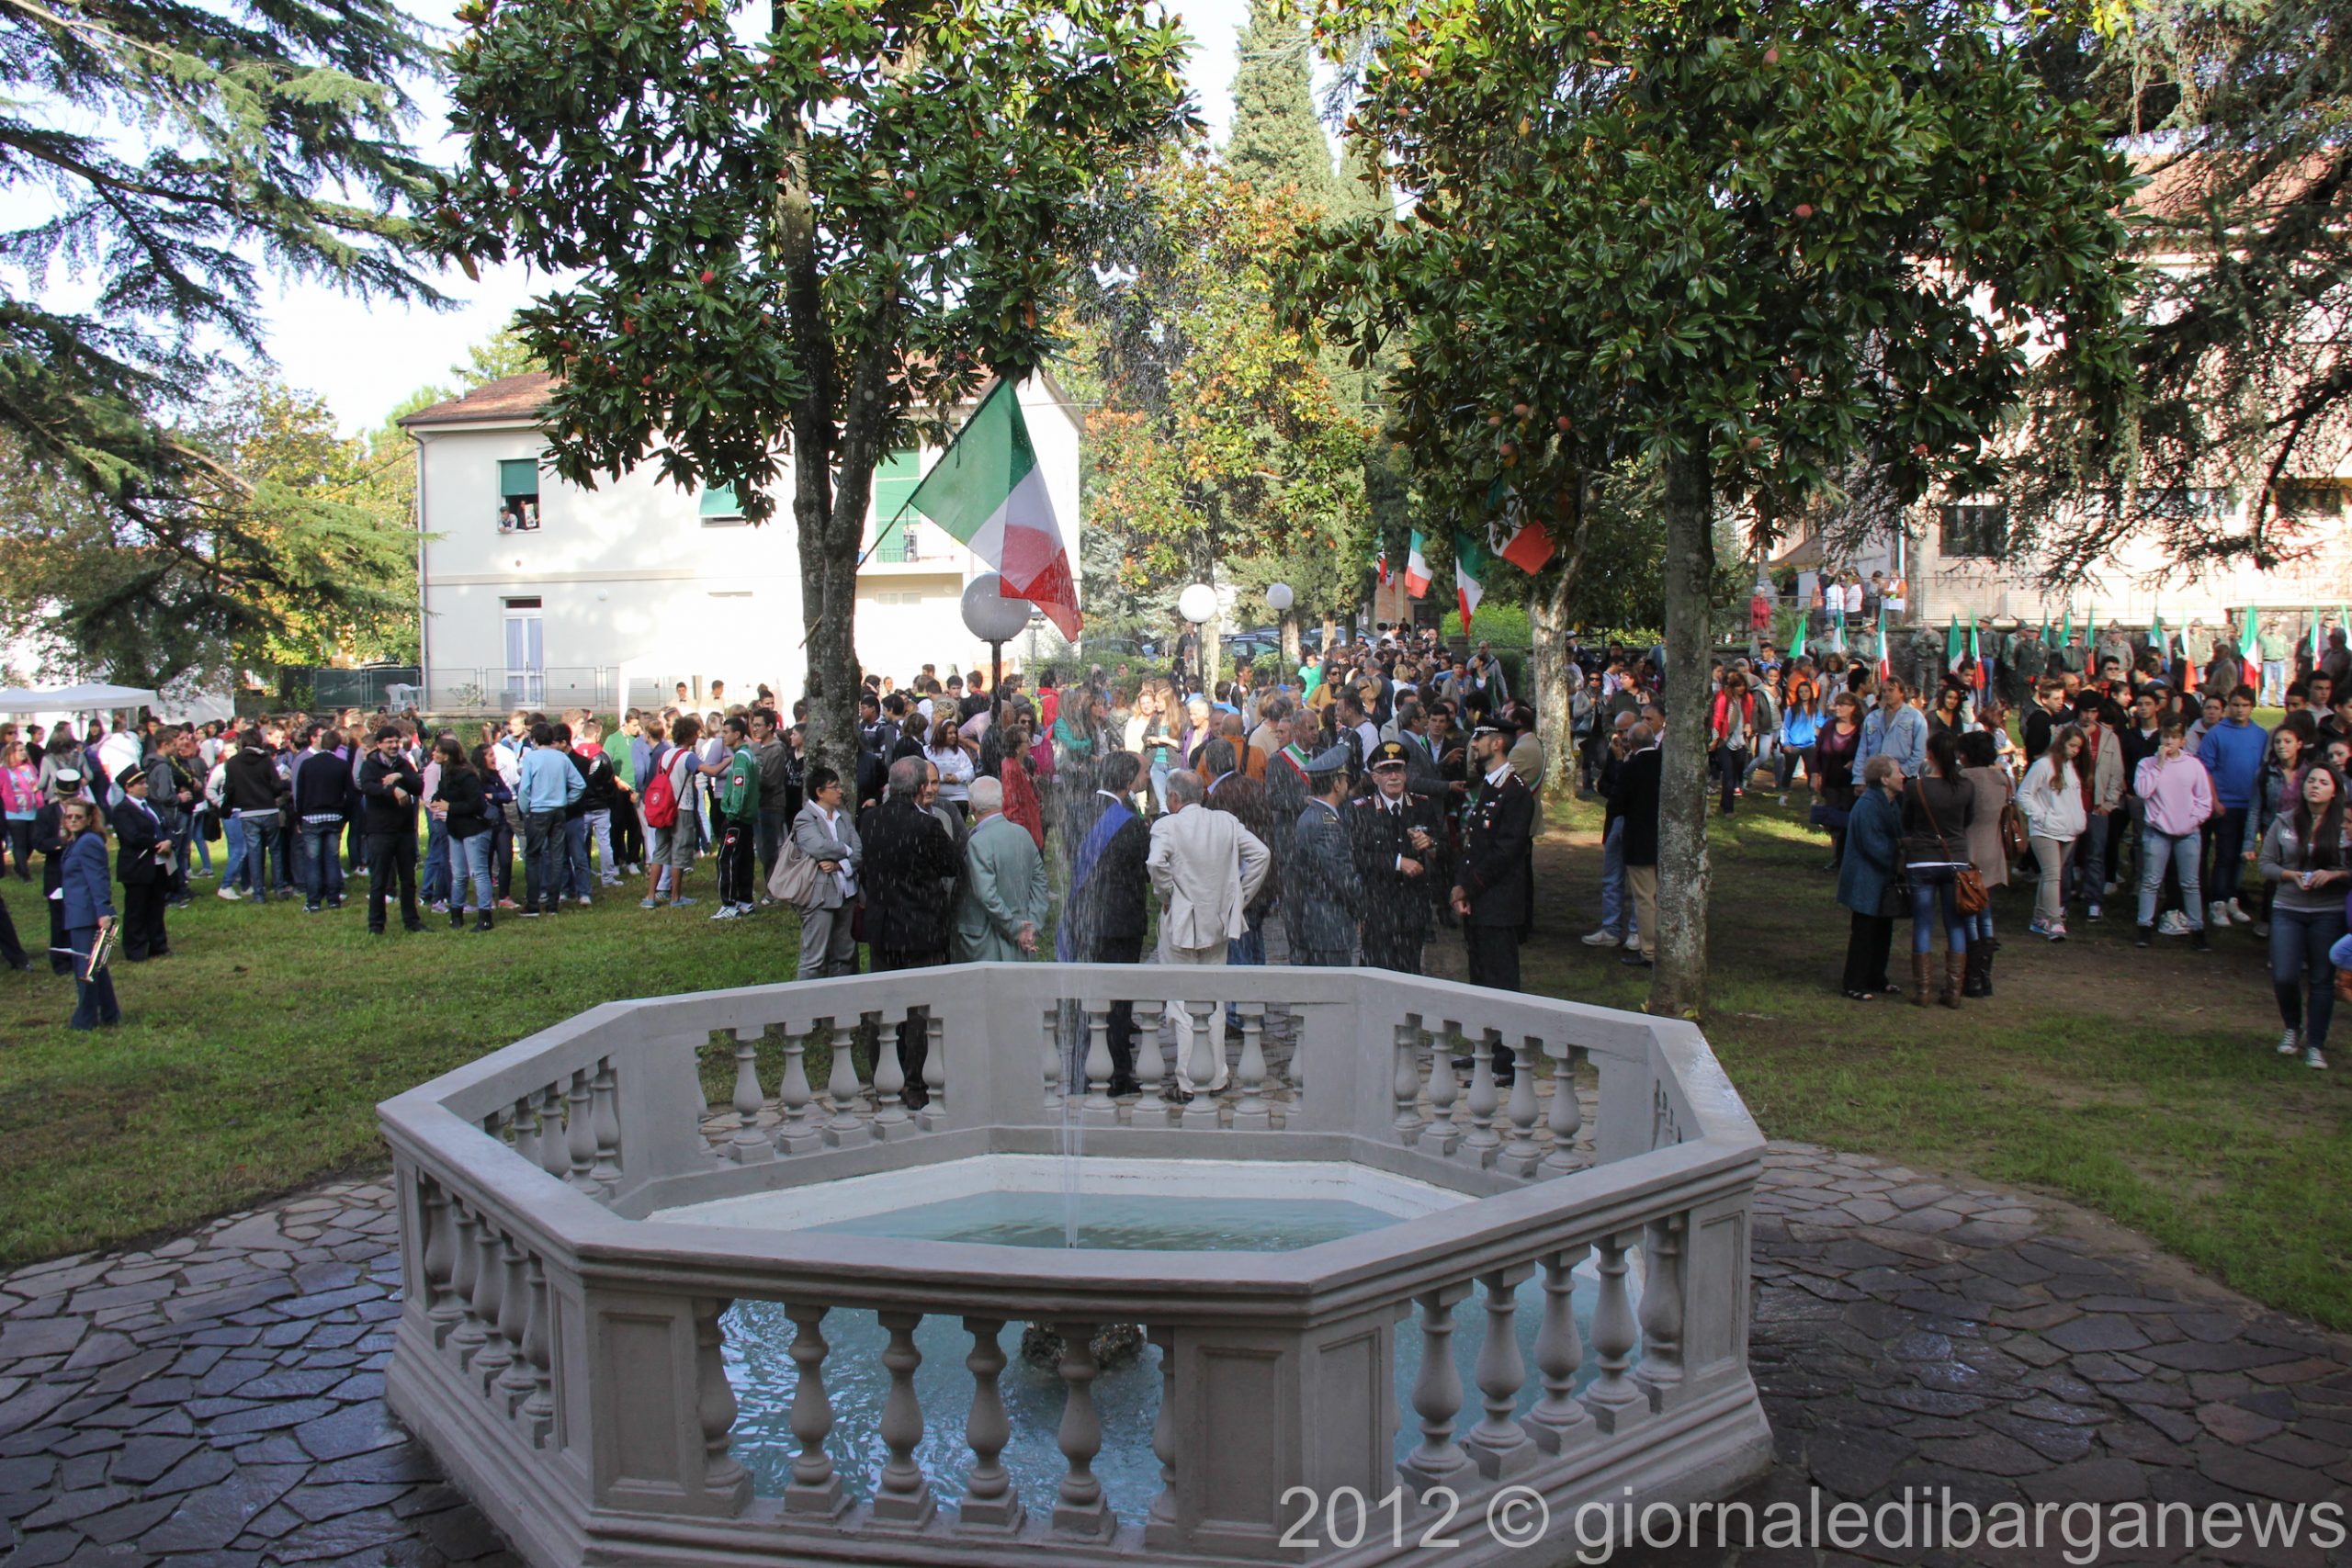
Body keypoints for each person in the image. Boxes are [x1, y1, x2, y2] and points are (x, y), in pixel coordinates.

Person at [861, 756, 959, 1102]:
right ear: (920, 789)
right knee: (918, 1011)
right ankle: (915, 1085)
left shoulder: (870, 820)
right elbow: (951, 864)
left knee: (883, 1010)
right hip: (921, 929)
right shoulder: (926, 826)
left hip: (883, 927)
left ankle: (882, 1081)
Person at [1063, 752, 1152, 1093]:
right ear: (1128, 783)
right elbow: (1145, 870)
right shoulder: (1129, 821)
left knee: (1091, 997)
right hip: (1120, 923)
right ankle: (1116, 1074)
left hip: (1086, 918)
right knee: (1118, 1004)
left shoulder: (1077, 810)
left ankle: (1086, 1065)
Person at [2258, 764, 2349, 1070]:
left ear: (2334, 790)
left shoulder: (2345, 826)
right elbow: (2265, 863)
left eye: (2323, 782)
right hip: (2288, 907)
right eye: (2311, 780)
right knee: (2284, 974)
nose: (2315, 786)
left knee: (2322, 979)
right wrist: (2289, 874)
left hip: (2329, 911)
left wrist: (2335, 875)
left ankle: (2315, 1044)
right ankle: (2291, 1027)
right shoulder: (2284, 821)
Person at [1351, 740, 1449, 974]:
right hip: (1379, 906)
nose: (1393, 777)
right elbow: (1356, 856)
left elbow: (1444, 846)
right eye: (1386, 772)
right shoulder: (1361, 811)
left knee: (1410, 971)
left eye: (1398, 770)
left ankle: (1410, 1012)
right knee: (1378, 971)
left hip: (1413, 905)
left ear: (1406, 774)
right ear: (1375, 778)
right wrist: (1397, 862)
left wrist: (1431, 843)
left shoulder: (1421, 805)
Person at [1900, 728, 1977, 1004]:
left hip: (1922, 858)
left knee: (1923, 923)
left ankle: (1922, 990)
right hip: (1955, 858)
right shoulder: (1966, 787)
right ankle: (1953, 990)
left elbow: (1906, 821)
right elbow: (1967, 820)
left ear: (1929, 754)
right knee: (1955, 924)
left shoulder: (1916, 787)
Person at [953, 773, 1050, 963]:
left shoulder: (977, 843)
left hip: (984, 942)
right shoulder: (1022, 834)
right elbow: (1040, 883)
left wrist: (1016, 928)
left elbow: (987, 895)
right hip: (1020, 938)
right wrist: (1033, 925)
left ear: (972, 806)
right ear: (1003, 800)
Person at [2135, 720, 2214, 952]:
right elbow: (2142, 791)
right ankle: (2144, 927)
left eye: (2174, 737)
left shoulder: (2194, 765)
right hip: (2157, 832)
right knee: (2151, 882)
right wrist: (2158, 765)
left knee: (2190, 883)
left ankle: (2198, 930)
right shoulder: (2147, 764)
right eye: (2165, 737)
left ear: (2182, 741)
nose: (2168, 742)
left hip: (2188, 833)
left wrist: (2192, 820)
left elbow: (2204, 799)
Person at [1837, 755, 1906, 1001]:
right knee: (1864, 933)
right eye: (1897, 772)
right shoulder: (1868, 805)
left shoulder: (1890, 803)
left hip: (1881, 880)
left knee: (1883, 930)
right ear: (1885, 779)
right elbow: (1872, 845)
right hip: (1865, 879)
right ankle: (1854, 982)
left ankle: (1877, 977)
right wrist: (1898, 855)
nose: (1902, 776)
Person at [2197, 688, 2267, 928]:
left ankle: (2232, 897)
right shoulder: (2216, 734)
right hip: (2225, 804)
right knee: (2225, 854)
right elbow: (2205, 770)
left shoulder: (2260, 734)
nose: (2240, 710)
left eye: (2245, 705)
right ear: (2229, 706)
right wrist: (2214, 800)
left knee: (2242, 855)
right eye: (2236, 705)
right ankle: (2217, 901)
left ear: (2252, 707)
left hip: (2250, 805)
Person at [1288, 745, 1363, 966]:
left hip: (1319, 923)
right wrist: (1361, 904)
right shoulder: (1326, 822)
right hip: (1329, 926)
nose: (1348, 784)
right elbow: (1340, 876)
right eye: (1345, 779)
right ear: (1336, 784)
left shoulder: (1312, 815)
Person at [791, 765, 861, 979]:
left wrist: (839, 864)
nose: (840, 791)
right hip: (820, 897)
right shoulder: (805, 818)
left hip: (847, 893)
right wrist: (844, 849)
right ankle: (807, 1005)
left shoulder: (844, 817)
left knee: (844, 955)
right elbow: (819, 847)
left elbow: (858, 852)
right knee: (814, 957)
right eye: (835, 787)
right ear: (820, 792)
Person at [1956, 730, 2013, 995]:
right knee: (1986, 911)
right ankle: (1984, 974)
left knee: (1969, 910)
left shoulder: (1965, 779)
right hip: (1993, 850)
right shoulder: (2001, 779)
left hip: (1970, 849)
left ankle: (1973, 976)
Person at [2019, 723, 2086, 942]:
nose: (2075, 750)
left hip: (2067, 830)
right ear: (2062, 743)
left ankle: (2040, 917)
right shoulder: (2043, 765)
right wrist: (2041, 817)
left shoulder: (2070, 767)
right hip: (2046, 829)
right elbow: (2024, 794)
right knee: (2052, 875)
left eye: (2079, 747)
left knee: (2050, 876)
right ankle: (2055, 921)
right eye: (2072, 745)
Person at [357, 725, 426, 935]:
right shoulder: (370, 765)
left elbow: (418, 786)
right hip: (380, 831)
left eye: (396, 741)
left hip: (404, 830)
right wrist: (391, 790)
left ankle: (411, 921)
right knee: (379, 880)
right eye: (389, 742)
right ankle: (376, 925)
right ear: (379, 745)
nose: (394, 745)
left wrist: (400, 778)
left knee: (408, 880)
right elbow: (368, 787)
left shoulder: (403, 764)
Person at [58, 799, 119, 1030]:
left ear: (88, 819)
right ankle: (110, 1014)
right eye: (68, 816)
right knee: (95, 967)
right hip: (78, 911)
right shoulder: (77, 842)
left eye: (78, 817)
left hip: (87, 913)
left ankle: (85, 1019)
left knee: (86, 970)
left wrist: (103, 911)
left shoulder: (88, 843)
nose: (72, 820)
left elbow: (98, 879)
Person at [433, 738, 496, 931]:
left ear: (447, 755)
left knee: (479, 873)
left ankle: (485, 916)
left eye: (437, 751)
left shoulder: (467, 776)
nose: (433, 754)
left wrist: (449, 807)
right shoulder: (446, 774)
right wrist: (437, 799)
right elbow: (442, 793)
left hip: (474, 830)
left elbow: (476, 804)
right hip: (456, 830)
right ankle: (456, 914)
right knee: (459, 874)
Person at [1613, 722, 1663, 970]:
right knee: (1660, 896)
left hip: (1640, 840)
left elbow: (1617, 803)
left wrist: (1619, 762)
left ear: (1631, 744)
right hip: (1665, 839)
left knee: (1645, 898)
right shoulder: (1666, 762)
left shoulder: (1631, 768)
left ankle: (1650, 951)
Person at [109, 764, 170, 961]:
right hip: (138, 865)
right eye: (141, 784)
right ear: (129, 787)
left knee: (156, 906)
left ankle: (158, 945)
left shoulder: (151, 804)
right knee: (137, 909)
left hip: (159, 863)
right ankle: (135, 949)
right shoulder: (122, 810)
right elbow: (132, 836)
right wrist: (157, 843)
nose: (145, 787)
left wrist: (169, 840)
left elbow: (166, 825)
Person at [293, 725, 354, 913]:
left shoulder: (307, 764)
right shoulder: (341, 765)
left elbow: (300, 794)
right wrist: (346, 816)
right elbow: (349, 794)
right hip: (333, 815)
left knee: (312, 860)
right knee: (332, 858)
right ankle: (334, 898)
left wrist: (298, 818)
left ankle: (313, 901)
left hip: (311, 816)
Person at [708, 715, 761, 919]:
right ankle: (745, 900)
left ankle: (729, 903)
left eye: (726, 732)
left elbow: (740, 787)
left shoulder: (740, 758)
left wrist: (732, 813)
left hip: (737, 818)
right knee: (745, 859)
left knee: (727, 859)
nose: (723, 737)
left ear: (737, 734)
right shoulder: (749, 755)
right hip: (747, 819)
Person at [1709, 671, 1757, 815]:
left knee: (1736, 774)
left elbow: (1748, 718)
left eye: (1743, 686)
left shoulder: (1747, 699)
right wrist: (1715, 739)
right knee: (1728, 776)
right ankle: (1728, 810)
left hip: (1740, 741)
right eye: (1738, 686)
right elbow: (1717, 720)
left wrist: (1748, 727)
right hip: (1725, 741)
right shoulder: (1724, 699)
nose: (1741, 689)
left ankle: (1724, 804)